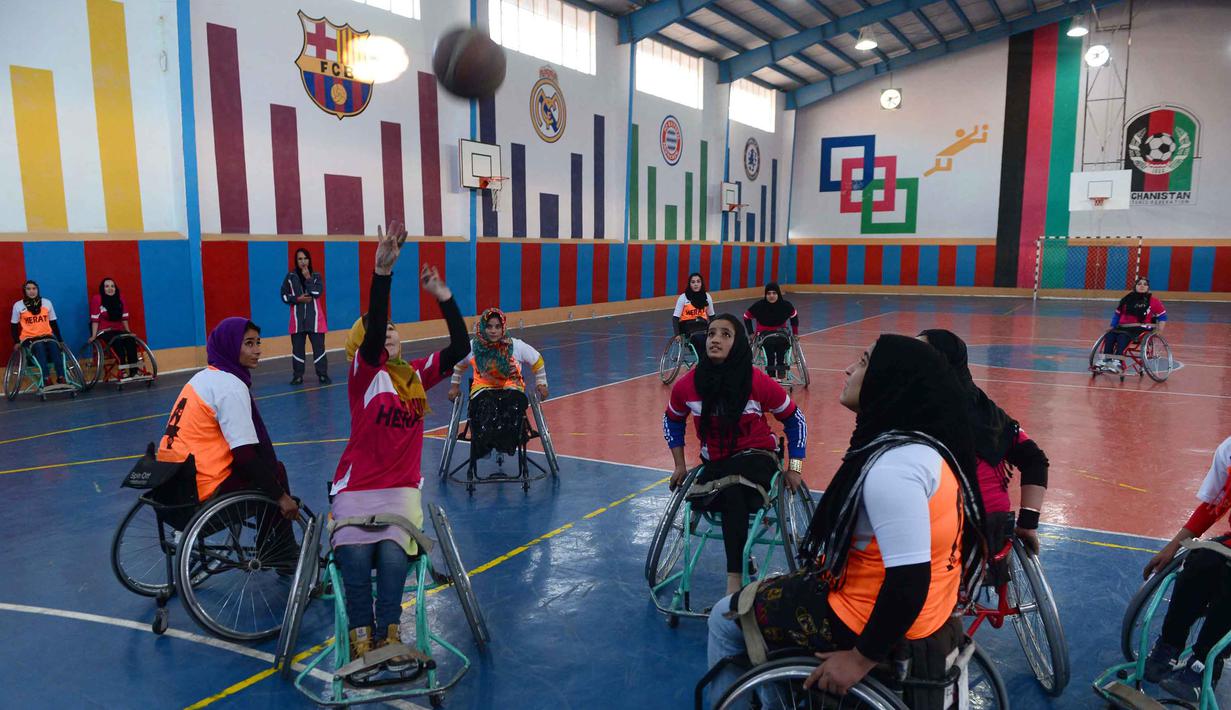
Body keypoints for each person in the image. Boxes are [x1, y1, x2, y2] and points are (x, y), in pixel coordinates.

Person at [705, 335, 987, 706]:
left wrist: (860, 659)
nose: (849, 369)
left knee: (724, 619)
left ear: (890, 381)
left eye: (864, 361)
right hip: (930, 611)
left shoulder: (893, 469)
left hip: (862, 616)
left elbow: (908, 581)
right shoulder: (929, 451)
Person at [329, 221, 469, 672]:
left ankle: (388, 636)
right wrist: (382, 274)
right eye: (375, 330)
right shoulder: (364, 375)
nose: (385, 333)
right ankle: (359, 640)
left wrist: (443, 296)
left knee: (392, 556)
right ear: (362, 344)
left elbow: (461, 345)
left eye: (391, 328)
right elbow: (371, 342)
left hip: (401, 490)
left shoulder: (416, 375)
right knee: (353, 555)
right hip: (357, 488)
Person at [664, 313, 808, 596]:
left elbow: (796, 419)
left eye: (725, 335)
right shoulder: (688, 385)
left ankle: (733, 583)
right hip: (716, 461)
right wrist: (679, 465)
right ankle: (740, 558)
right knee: (725, 489)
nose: (715, 339)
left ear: (738, 343)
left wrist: (795, 467)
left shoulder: (757, 381)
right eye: (711, 333)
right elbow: (671, 419)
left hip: (758, 457)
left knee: (732, 491)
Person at [156, 317, 299, 527]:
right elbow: (244, 454)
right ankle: (280, 550)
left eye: (258, 342)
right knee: (273, 471)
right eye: (248, 343)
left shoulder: (200, 378)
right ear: (230, 345)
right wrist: (281, 496)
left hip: (170, 487)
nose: (257, 350)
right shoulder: (231, 386)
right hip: (197, 492)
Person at [919, 329, 1049, 558]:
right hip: (992, 526)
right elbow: (1035, 460)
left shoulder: (914, 412)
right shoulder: (989, 414)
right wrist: (1028, 522)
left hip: (940, 527)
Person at [1139, 435, 1231, 702]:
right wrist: (1171, 547)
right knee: (1200, 559)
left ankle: (1204, 663)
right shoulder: (1228, 450)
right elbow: (1212, 506)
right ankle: (1169, 646)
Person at [447, 307, 548, 459]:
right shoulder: (473, 347)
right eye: (489, 326)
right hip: (483, 390)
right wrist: (454, 387)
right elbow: (458, 365)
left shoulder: (515, 346)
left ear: (503, 328)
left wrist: (542, 383)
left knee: (513, 404)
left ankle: (508, 442)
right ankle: (485, 445)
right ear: (482, 327)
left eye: (497, 327)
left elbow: (537, 361)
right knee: (485, 406)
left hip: (511, 388)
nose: (493, 331)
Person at [281, 248, 330, 385]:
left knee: (319, 349)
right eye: (300, 259)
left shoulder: (316, 276)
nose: (303, 261)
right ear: (296, 261)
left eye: (305, 258)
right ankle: (298, 376)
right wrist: (298, 299)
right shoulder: (290, 277)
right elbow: (284, 296)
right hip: (297, 322)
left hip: (315, 321)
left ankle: (322, 375)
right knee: (297, 350)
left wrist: (308, 278)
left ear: (309, 260)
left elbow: (317, 292)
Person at [1099, 277, 1168, 369]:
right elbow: (1117, 315)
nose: (1142, 286)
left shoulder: (1154, 301)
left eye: (1145, 284)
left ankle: (1118, 362)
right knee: (1110, 335)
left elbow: (1162, 316)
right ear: (1135, 286)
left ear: (1148, 288)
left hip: (1141, 328)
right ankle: (1106, 360)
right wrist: (1112, 326)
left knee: (1122, 336)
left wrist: (1159, 330)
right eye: (1139, 284)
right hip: (1123, 327)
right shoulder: (1126, 299)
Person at [10, 280, 64, 386]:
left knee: (55, 346)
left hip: (47, 335)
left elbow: (53, 323)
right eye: (28, 289)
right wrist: (16, 341)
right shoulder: (18, 305)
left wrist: (60, 340)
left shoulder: (47, 303)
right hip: (29, 338)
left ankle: (61, 377)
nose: (31, 291)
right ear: (24, 291)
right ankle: (46, 378)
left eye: (34, 288)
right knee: (39, 346)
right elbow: (14, 325)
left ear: (37, 290)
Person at [743, 282, 799, 380]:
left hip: (781, 332)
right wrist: (751, 333)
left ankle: (781, 368)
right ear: (765, 295)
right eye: (769, 293)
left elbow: (794, 316)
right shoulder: (759, 305)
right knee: (769, 346)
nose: (771, 296)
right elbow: (746, 317)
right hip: (765, 334)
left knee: (782, 344)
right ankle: (771, 373)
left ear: (778, 294)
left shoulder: (785, 305)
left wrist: (795, 333)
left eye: (774, 293)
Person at [89, 277, 139, 378]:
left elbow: (124, 318)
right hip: (105, 331)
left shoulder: (120, 298)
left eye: (112, 286)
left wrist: (129, 332)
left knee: (130, 340)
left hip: (118, 329)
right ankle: (123, 370)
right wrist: (94, 335)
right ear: (103, 288)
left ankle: (134, 371)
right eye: (107, 286)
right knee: (118, 342)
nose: (110, 288)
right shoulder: (97, 299)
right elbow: (94, 320)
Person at [672, 272, 715, 357]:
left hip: (702, 325)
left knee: (707, 337)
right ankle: (703, 359)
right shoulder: (683, 297)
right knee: (698, 338)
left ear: (701, 283)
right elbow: (675, 318)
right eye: (693, 282)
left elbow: (712, 316)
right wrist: (677, 334)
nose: (696, 284)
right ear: (689, 284)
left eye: (698, 282)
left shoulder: (707, 297)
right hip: (687, 326)